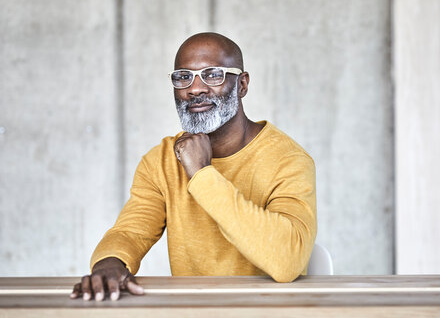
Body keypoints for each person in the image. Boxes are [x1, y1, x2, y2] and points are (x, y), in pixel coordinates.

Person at [70, 32, 317, 301]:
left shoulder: (287, 159)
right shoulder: (162, 159)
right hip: (193, 310)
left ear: (242, 85)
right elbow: (130, 232)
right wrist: (109, 264)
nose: (195, 88)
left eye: (213, 75)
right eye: (183, 77)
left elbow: (287, 261)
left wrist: (201, 174)